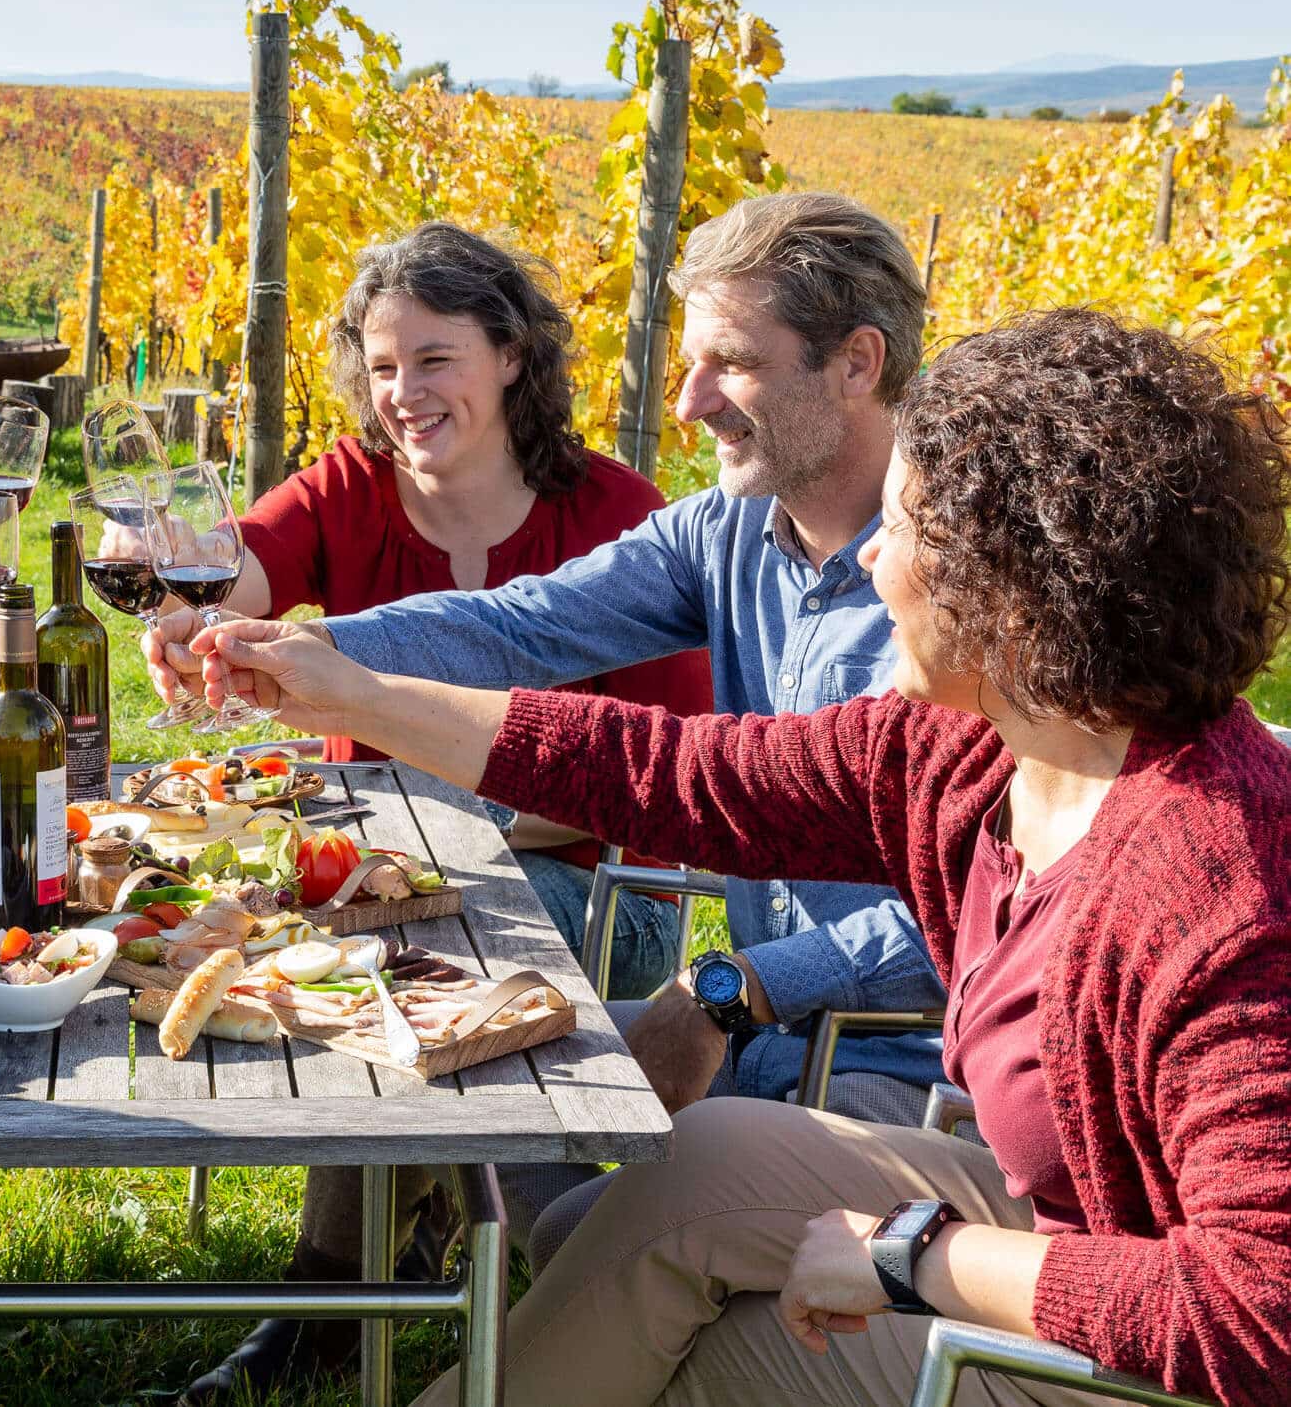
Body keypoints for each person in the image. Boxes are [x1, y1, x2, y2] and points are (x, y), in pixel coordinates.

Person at [200, 307, 1291, 1407]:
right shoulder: (976, 750)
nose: (870, 556)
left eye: (902, 526)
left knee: (699, 1340)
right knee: (680, 1177)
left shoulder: (1209, 879)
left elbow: (1261, 1315)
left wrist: (909, 1255)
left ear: (1013, 584)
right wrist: (357, 692)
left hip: (1167, 1351)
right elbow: (666, 773)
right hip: (1086, 1226)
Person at [168, 193, 948, 1407]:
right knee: (473, 1074)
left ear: (858, 362)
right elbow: (514, 623)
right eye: (688, 362)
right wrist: (305, 650)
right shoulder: (730, 533)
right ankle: (380, 1290)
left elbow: (984, 911)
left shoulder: (958, 588)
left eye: (729, 363)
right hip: (764, 1040)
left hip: (909, 1062)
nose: (686, 402)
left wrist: (739, 987)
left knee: (583, 1234)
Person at [144, 221, 712, 992]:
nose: (403, 395)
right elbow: (235, 574)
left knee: (397, 955)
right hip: (389, 874)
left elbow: (667, 776)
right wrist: (189, 613)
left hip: (596, 887)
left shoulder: (619, 515)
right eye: (382, 368)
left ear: (512, 355)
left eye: (434, 360)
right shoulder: (350, 487)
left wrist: (446, 826)